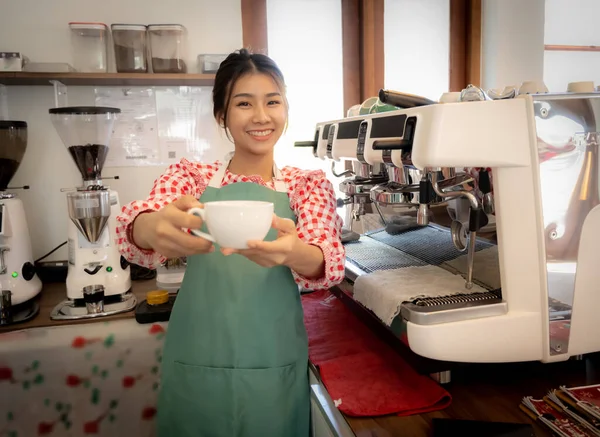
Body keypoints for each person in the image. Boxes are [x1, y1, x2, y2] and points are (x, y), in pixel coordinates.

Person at [115, 48, 345, 437]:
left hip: (274, 365)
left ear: (285, 110)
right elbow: (141, 218)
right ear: (222, 115)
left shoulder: (307, 185)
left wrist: (295, 253)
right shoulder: (191, 176)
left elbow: (327, 257)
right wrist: (150, 228)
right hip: (196, 362)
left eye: (273, 102)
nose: (261, 116)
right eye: (244, 103)